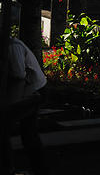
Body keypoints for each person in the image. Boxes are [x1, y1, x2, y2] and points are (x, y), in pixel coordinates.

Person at [3, 36, 48, 175]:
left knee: (25, 133)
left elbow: (18, 75)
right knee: (28, 133)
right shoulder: (9, 45)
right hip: (27, 91)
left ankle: (11, 167)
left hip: (33, 90)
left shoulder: (12, 47)